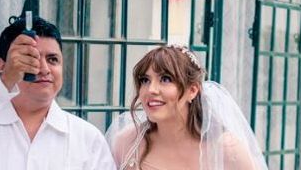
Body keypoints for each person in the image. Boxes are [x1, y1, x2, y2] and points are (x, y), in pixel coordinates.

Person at [0, 16, 116, 170]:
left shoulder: (88, 139)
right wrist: (6, 79)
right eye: (32, 59)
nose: (44, 69)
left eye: (53, 59)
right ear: (2, 65)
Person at [107, 45, 267, 170]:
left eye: (165, 79)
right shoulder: (126, 142)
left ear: (192, 90)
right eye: (145, 80)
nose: (151, 90)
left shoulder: (227, 150)